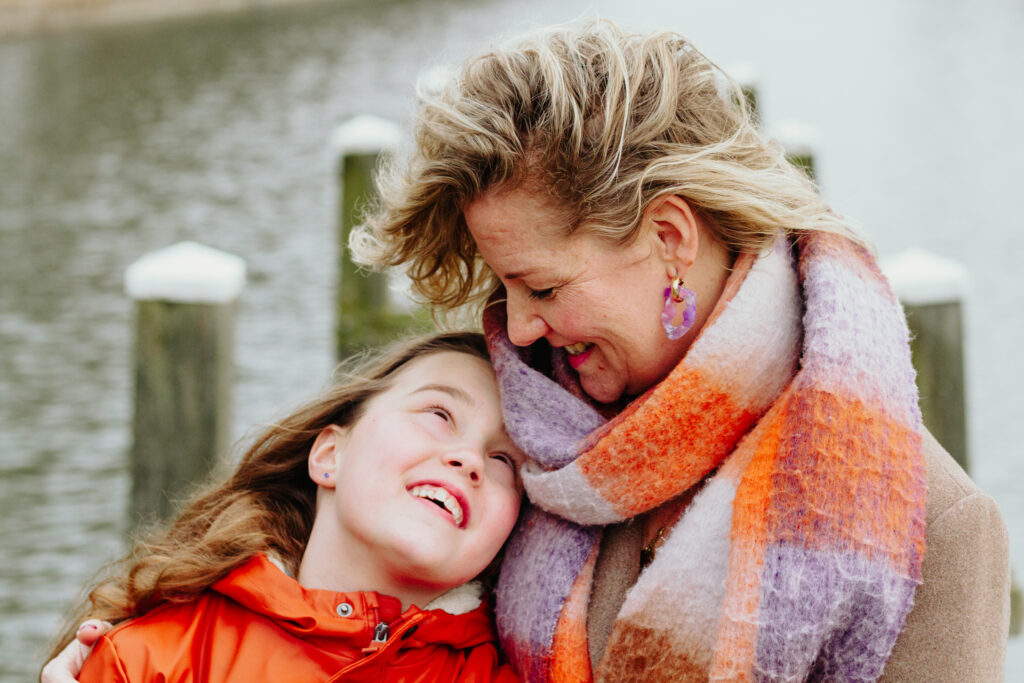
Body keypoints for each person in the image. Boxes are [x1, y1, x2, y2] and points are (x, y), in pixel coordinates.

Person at [348, 20, 1011, 682]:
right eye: (505, 287)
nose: (518, 329)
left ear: (670, 238)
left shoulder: (932, 529)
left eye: (543, 286)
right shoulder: (515, 433)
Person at [42, 332, 523, 682]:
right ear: (330, 455)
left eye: (505, 459)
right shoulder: (150, 659)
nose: (470, 459)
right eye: (439, 413)